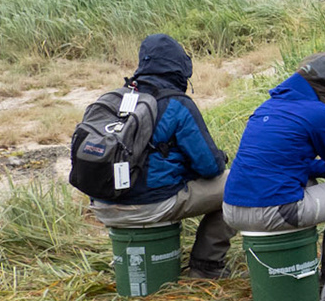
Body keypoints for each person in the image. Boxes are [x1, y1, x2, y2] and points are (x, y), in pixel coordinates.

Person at [89, 33, 232, 278]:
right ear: (179, 68)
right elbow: (209, 167)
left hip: (102, 205)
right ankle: (206, 265)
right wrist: (220, 157)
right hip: (149, 206)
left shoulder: (113, 100)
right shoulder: (176, 103)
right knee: (239, 185)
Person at [222, 53, 325, 280]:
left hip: (231, 209)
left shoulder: (267, 107)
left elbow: (290, 164)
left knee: (307, 181)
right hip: (275, 212)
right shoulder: (319, 113)